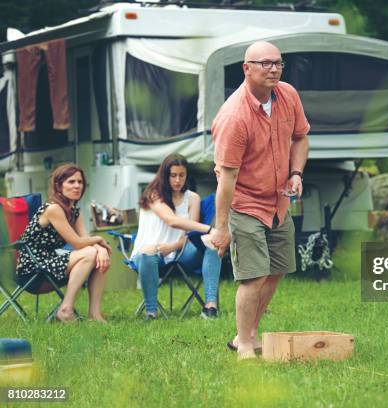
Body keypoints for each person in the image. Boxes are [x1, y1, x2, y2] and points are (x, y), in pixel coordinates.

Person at [210, 41, 310, 359]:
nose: (273, 69)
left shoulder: (288, 95)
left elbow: (301, 136)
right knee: (253, 276)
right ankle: (245, 348)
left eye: (278, 63)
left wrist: (296, 173)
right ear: (247, 68)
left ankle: (247, 335)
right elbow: (226, 178)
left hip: (278, 201)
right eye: (265, 63)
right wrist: (221, 228)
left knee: (277, 268)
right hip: (245, 202)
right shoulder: (234, 117)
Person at [16, 163, 113, 323]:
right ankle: (66, 309)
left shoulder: (74, 211)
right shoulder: (53, 209)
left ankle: (95, 314)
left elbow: (84, 238)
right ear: (58, 186)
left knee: (97, 254)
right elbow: (77, 243)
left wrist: (101, 249)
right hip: (32, 271)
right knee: (90, 253)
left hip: (50, 265)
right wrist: (99, 240)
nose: (77, 186)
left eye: (80, 182)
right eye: (71, 182)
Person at [130, 154, 220, 320]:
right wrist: (209, 229)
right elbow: (172, 221)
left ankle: (210, 307)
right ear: (165, 176)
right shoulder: (153, 194)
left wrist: (172, 247)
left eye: (182, 175)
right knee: (148, 252)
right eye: (173, 175)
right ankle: (151, 312)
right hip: (150, 254)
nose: (178, 180)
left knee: (212, 243)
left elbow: (190, 234)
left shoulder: (192, 198)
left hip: (180, 254)